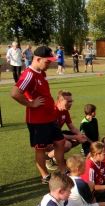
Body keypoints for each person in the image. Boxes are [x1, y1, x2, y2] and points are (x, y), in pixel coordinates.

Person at [10, 46, 65, 184]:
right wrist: (31, 104)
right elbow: (15, 93)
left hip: (50, 117)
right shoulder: (29, 74)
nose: (50, 64)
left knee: (60, 142)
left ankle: (63, 169)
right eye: (47, 61)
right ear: (38, 59)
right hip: (37, 120)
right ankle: (45, 176)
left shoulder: (41, 73)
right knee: (40, 149)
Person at [46, 90, 88, 170]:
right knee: (67, 144)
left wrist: (80, 135)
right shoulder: (53, 111)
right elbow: (54, 133)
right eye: (68, 101)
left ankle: (56, 157)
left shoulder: (65, 111)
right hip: (47, 138)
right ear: (60, 101)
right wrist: (76, 136)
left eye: (71, 101)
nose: (70, 103)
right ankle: (47, 159)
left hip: (56, 134)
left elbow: (72, 127)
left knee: (78, 139)